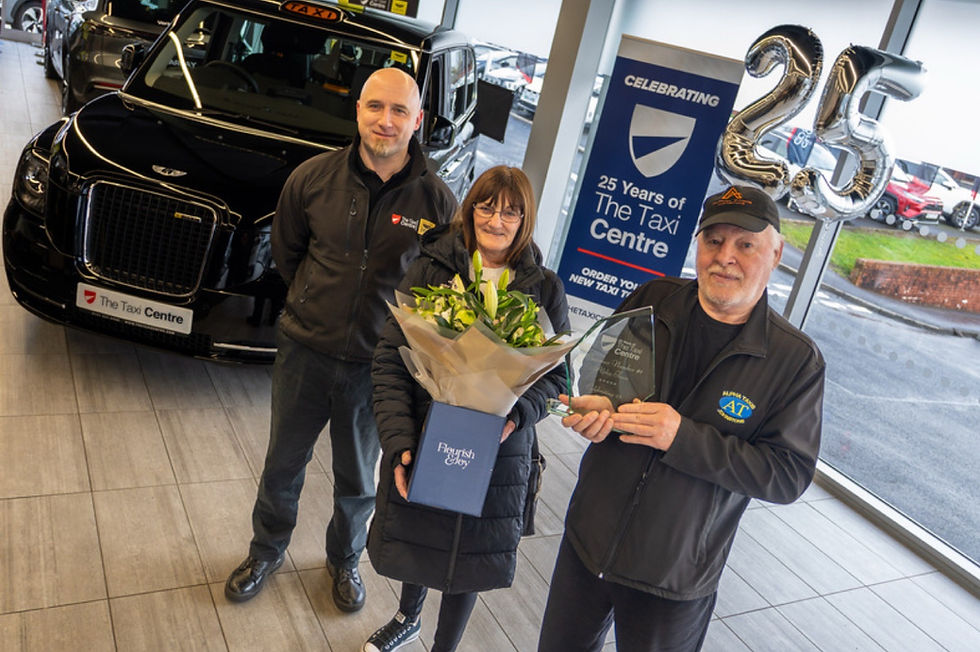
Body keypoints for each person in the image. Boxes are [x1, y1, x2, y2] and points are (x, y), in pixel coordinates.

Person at [538, 185, 825, 651]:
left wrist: (681, 438)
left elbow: (788, 475)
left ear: (776, 253)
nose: (724, 257)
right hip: (587, 540)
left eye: (745, 244)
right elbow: (602, 387)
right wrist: (596, 411)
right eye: (713, 240)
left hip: (674, 575)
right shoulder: (654, 298)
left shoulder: (794, 361)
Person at [224, 67, 458, 612]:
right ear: (357, 111)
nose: (386, 120)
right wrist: (314, 304)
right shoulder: (312, 178)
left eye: (400, 111)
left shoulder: (438, 204)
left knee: (357, 478)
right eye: (376, 107)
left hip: (376, 368)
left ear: (417, 120)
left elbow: (441, 293)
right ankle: (265, 550)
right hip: (306, 350)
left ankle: (344, 559)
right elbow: (288, 254)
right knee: (283, 462)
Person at [363, 166, 570, 652]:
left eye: (511, 211)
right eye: (487, 205)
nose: (497, 220)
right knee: (423, 532)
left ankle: (445, 646)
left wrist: (515, 416)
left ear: (525, 220)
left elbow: (558, 378)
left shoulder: (545, 289)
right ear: (470, 208)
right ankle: (406, 617)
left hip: (500, 454)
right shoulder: (430, 269)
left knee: (471, 553)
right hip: (427, 433)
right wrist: (399, 442)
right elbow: (391, 361)